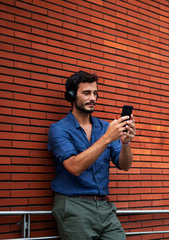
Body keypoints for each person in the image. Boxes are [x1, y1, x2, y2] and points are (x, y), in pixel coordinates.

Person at [47, 70, 136, 240]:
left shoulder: (104, 128)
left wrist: (125, 143)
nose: (93, 98)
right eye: (86, 93)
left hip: (105, 206)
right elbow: (74, 166)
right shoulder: (59, 129)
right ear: (72, 96)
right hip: (74, 205)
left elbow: (125, 165)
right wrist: (107, 138)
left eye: (95, 93)